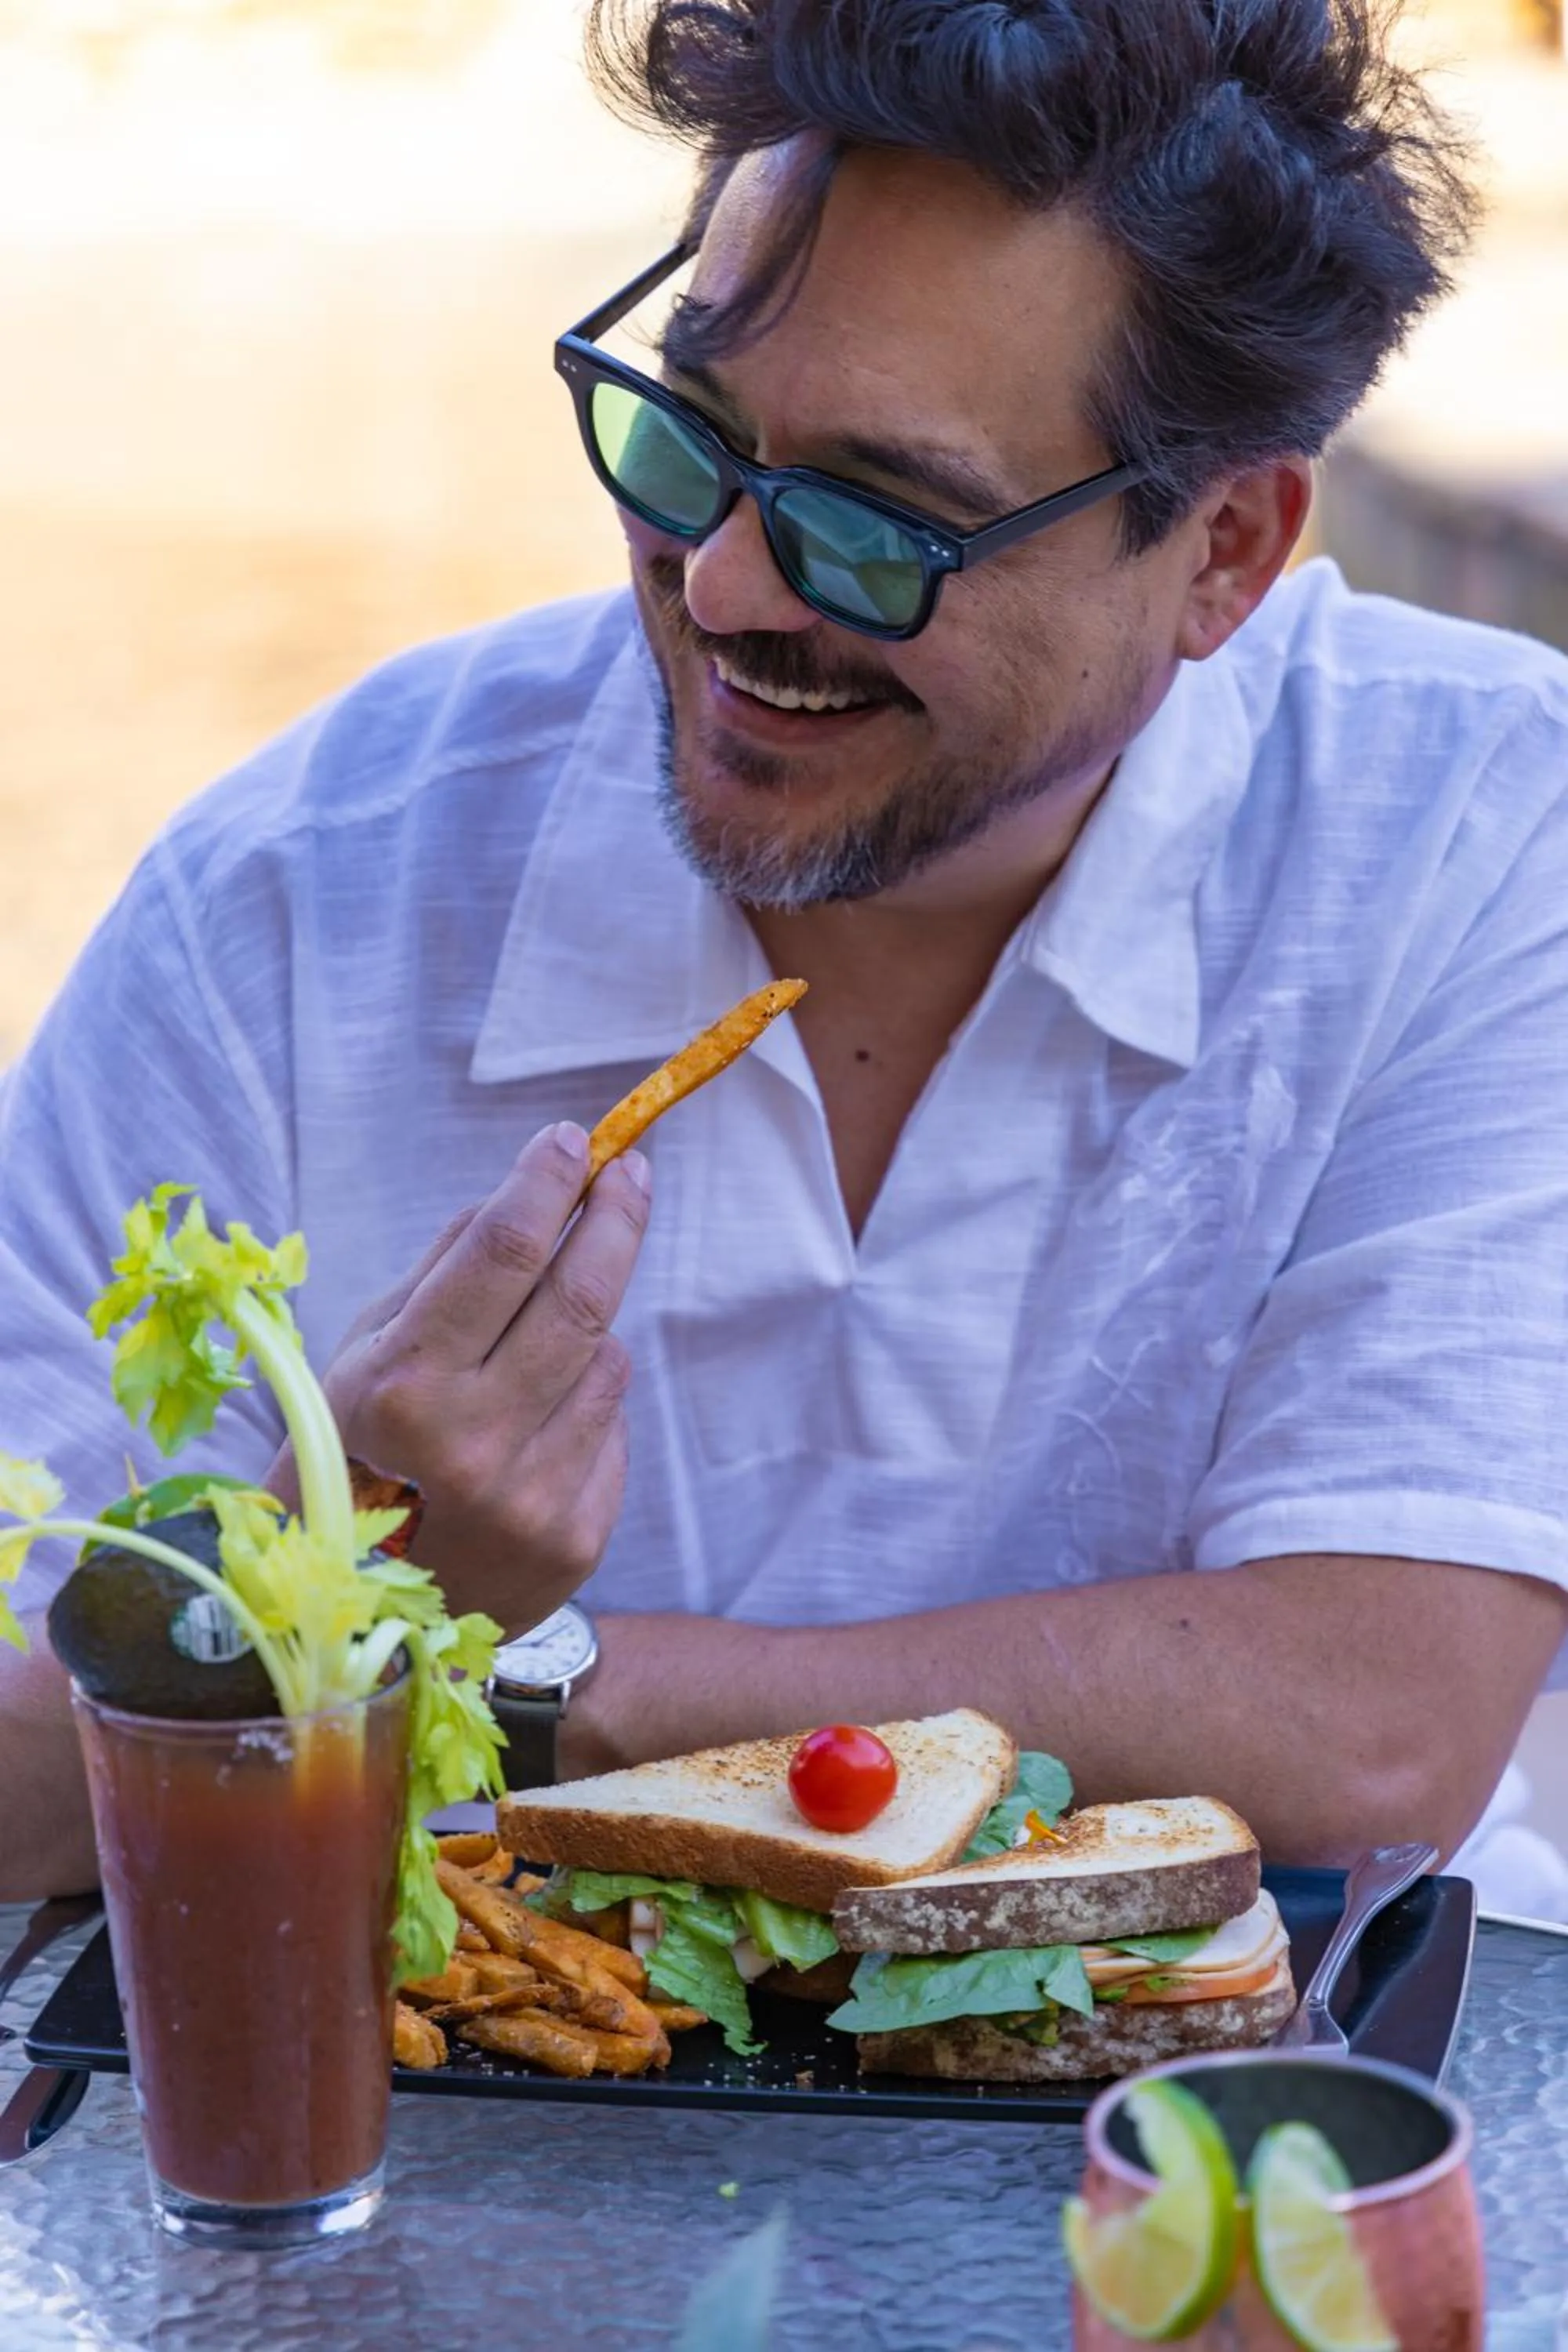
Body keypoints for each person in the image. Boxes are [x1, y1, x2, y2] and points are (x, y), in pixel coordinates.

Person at [4, 0, 1568, 1904]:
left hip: (1254, 2081)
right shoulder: (295, 895)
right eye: (690, 439)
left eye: (881, 520)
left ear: (1225, 551)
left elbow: (1370, 1722)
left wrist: (458, 1659)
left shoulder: (1472, 831)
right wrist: (306, 1560)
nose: (727, 582)